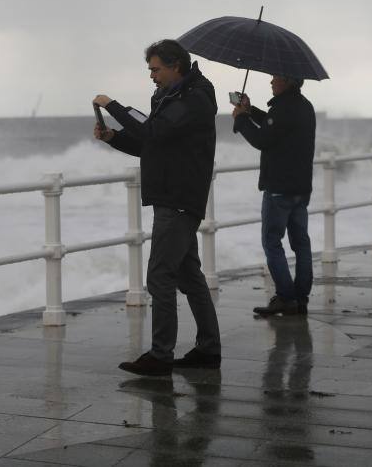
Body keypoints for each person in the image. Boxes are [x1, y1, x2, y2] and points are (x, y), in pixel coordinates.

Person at [93, 39, 221, 376]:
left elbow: (153, 128)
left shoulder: (196, 98)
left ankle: (161, 355)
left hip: (179, 199)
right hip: (171, 195)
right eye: (150, 69)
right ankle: (209, 349)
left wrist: (114, 106)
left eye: (155, 69)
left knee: (160, 275)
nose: (151, 75)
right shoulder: (170, 96)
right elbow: (152, 142)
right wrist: (114, 138)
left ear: (175, 65)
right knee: (188, 274)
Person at [232, 76, 316, 316]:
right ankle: (300, 298)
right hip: (301, 187)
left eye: (276, 77)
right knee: (301, 243)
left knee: (272, 241)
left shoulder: (282, 108)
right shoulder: (304, 106)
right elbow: (275, 127)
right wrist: (250, 111)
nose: (271, 81)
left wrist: (241, 119)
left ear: (288, 81)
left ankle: (285, 297)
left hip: (279, 187)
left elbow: (262, 139)